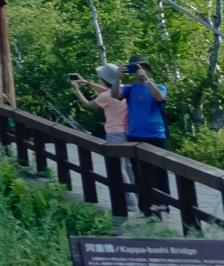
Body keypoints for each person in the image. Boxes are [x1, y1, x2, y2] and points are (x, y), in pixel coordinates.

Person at [121, 58, 171, 214]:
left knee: (160, 171)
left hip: (155, 133)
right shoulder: (129, 88)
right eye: (136, 69)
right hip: (135, 133)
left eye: (143, 68)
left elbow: (159, 98)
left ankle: (163, 203)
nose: (140, 72)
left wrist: (148, 81)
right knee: (138, 172)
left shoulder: (160, 87)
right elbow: (115, 94)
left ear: (148, 70)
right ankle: (145, 207)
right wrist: (117, 78)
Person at [68, 64, 128, 143]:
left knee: (117, 155)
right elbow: (106, 90)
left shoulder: (106, 95)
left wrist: (76, 89)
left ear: (103, 79)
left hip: (114, 133)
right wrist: (86, 82)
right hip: (126, 130)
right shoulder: (124, 89)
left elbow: (88, 105)